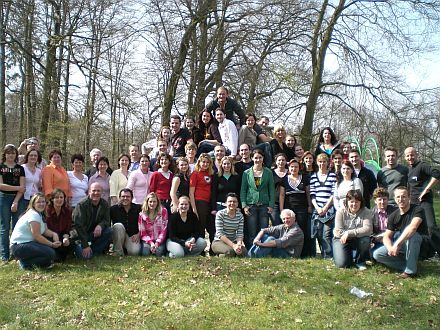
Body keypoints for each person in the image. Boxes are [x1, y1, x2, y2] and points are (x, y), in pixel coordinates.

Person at [373, 186, 429, 278]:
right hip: (405, 244)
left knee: (413, 236)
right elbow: (387, 236)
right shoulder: (393, 216)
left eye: (403, 196)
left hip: (421, 245)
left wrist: (397, 245)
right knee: (377, 254)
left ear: (409, 197)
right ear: (394, 199)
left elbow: (413, 227)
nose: (400, 199)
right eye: (398, 197)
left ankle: (410, 272)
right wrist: (390, 248)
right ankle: (409, 265)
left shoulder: (418, 209)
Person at [10, 193, 60, 269]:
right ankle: (25, 263)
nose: (41, 204)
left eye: (43, 202)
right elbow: (37, 236)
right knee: (51, 253)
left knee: (50, 253)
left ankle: (39, 262)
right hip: (19, 246)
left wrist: (54, 234)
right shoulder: (33, 215)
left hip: (28, 244)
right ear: (33, 204)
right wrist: (52, 244)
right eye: (38, 202)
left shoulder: (39, 214)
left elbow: (45, 231)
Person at [240, 149, 275, 248]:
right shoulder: (246, 173)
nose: (258, 160)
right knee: (252, 231)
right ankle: (252, 252)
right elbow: (243, 190)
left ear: (263, 158)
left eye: (260, 157)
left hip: (264, 205)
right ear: (252, 158)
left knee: (263, 231)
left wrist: (271, 205)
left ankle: (262, 251)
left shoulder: (268, 172)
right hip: (251, 205)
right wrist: (244, 205)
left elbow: (271, 189)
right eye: (255, 157)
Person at [279, 159, 313, 257]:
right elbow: (282, 195)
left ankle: (303, 253)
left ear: (299, 168)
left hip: (302, 209)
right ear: (289, 168)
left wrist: (309, 206)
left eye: (296, 166)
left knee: (302, 230)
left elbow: (308, 193)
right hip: (289, 209)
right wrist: (282, 210)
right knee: (289, 230)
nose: (294, 168)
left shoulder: (305, 178)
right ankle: (289, 252)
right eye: (292, 167)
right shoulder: (284, 179)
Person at [332, 190, 373, 269]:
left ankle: (360, 261)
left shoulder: (366, 212)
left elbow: (368, 229)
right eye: (351, 201)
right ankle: (345, 257)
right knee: (342, 264)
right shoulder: (341, 211)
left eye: (357, 202)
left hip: (358, 239)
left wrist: (348, 233)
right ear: (347, 202)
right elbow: (338, 232)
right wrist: (348, 234)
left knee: (365, 240)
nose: (354, 204)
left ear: (361, 202)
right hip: (341, 239)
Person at [404, 146, 439, 234]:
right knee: (418, 228)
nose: (410, 157)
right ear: (405, 157)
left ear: (416, 155)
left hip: (424, 201)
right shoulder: (409, 170)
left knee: (431, 226)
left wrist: (427, 189)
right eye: (407, 156)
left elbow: (437, 174)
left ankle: (437, 246)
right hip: (413, 203)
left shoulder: (422, 165)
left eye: (412, 155)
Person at [72, 183, 112, 259]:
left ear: (102, 193)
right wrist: (85, 245)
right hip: (80, 235)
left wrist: (100, 225)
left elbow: (106, 220)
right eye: (93, 190)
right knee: (84, 257)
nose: (96, 193)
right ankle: (83, 249)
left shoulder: (105, 204)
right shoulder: (81, 205)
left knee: (108, 231)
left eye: (98, 191)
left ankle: (95, 251)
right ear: (89, 192)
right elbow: (78, 226)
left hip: (93, 233)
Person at [0, 144, 26, 261]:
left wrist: (15, 202)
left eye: (13, 153)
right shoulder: (1, 167)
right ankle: (4, 255)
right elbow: (1, 186)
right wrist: (16, 188)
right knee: (5, 227)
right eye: (8, 153)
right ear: (4, 154)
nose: (11, 155)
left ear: (16, 154)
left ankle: (16, 254)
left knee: (17, 227)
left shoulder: (20, 169)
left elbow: (23, 188)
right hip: (3, 198)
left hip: (18, 199)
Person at [310, 153, 337, 258]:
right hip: (317, 209)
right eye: (320, 162)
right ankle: (323, 254)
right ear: (317, 163)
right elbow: (312, 195)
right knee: (319, 233)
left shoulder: (332, 176)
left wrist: (326, 207)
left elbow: (333, 193)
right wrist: (317, 208)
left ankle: (329, 256)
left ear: (328, 163)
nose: (322, 164)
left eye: (324, 162)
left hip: (329, 209)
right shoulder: (313, 176)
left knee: (327, 234)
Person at [189, 153, 215, 248]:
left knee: (210, 226)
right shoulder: (195, 174)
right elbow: (191, 193)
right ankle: (200, 248)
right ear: (199, 162)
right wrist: (194, 208)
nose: (205, 164)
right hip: (199, 202)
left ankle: (213, 248)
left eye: (207, 162)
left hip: (209, 203)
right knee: (201, 227)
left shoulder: (210, 173)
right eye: (203, 162)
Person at [110, 188, 142, 256]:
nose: (125, 198)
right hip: (118, 235)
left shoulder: (138, 208)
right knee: (118, 226)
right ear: (119, 197)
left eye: (128, 196)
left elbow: (144, 224)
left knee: (134, 252)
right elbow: (107, 225)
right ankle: (118, 252)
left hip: (132, 236)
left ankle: (124, 248)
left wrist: (138, 234)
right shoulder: (113, 209)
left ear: (132, 198)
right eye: (123, 196)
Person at [45, 189, 73, 261]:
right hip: (49, 238)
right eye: (57, 197)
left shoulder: (67, 211)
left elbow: (68, 227)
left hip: (61, 237)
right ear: (52, 199)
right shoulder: (46, 211)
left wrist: (66, 237)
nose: (59, 199)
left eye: (61, 197)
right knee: (56, 257)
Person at [138, 192, 168, 257]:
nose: (152, 204)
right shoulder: (142, 215)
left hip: (160, 239)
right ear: (147, 202)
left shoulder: (163, 211)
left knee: (158, 253)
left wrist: (157, 243)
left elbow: (164, 230)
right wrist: (151, 243)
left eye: (154, 201)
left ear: (157, 202)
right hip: (148, 240)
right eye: (150, 201)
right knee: (145, 253)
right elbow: (143, 233)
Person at [371, 187, 396, 252]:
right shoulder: (371, 214)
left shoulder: (395, 211)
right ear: (375, 201)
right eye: (379, 200)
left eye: (384, 199)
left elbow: (397, 228)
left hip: (392, 236)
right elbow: (370, 232)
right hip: (379, 239)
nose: (382, 202)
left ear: (388, 200)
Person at [271, 153, 288, 226]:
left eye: (283, 160)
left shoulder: (290, 172)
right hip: (274, 203)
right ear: (276, 161)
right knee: (276, 223)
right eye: (279, 160)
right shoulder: (271, 172)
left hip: (288, 202)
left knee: (287, 224)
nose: (281, 162)